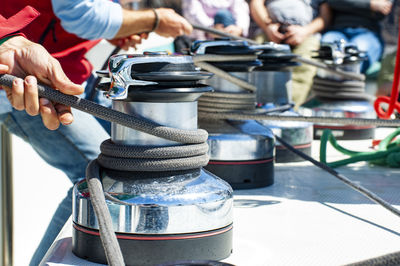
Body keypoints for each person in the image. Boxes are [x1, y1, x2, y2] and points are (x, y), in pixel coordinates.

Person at [1, 2, 193, 265]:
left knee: (117, 175)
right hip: (29, 81)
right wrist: (154, 19)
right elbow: (79, 13)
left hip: (62, 74)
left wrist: (120, 25)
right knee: (102, 180)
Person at [250, 0, 332, 108]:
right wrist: (268, 26)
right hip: (268, 30)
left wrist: (305, 32)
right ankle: (258, 109)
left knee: (305, 64)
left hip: (305, 34)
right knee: (254, 61)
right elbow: (256, 4)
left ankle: (287, 110)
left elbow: (325, 16)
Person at [321, 0, 393, 74]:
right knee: (328, 52)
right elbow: (333, 2)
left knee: (354, 57)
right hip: (337, 31)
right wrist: (370, 4)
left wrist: (347, 5)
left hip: (367, 34)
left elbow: (382, 10)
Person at [183, 0, 250, 40]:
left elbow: (241, 10)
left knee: (224, 15)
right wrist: (212, 29)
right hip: (205, 35)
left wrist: (238, 29)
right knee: (221, 15)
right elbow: (193, 13)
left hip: (231, 30)